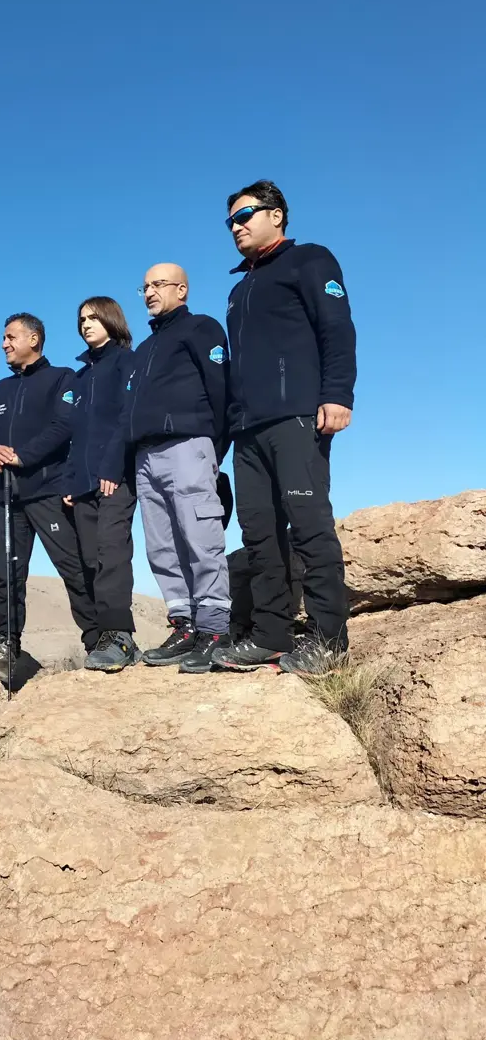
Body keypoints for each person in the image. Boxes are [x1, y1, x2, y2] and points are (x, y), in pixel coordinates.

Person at [214, 180, 356, 675]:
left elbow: (336, 329)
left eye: (245, 214)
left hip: (297, 416)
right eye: (230, 220)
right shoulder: (238, 290)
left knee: (309, 525)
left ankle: (329, 639)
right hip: (248, 431)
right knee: (259, 533)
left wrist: (338, 394)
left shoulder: (309, 260)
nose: (236, 226)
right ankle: (270, 635)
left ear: (276, 215)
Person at [0, 313, 98, 679]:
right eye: (3, 338)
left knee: (73, 568)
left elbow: (64, 425)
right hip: (7, 497)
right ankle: (6, 648)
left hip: (48, 491)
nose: (4, 343)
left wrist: (23, 456)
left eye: (11, 336)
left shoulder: (62, 378)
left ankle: (99, 643)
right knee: (7, 576)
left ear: (33, 339)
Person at [114, 264, 232, 673]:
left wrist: (212, 448)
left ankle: (214, 630)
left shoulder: (201, 328)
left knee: (200, 537)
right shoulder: (145, 349)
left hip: (187, 446)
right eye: (144, 286)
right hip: (146, 457)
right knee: (162, 547)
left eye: (158, 284)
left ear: (182, 289)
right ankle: (184, 626)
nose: (149, 292)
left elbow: (220, 389)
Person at [63, 297, 138, 671]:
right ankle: (101, 641)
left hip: (115, 477)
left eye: (94, 317)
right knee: (90, 560)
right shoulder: (79, 378)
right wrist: (70, 480)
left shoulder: (127, 362)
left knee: (112, 553)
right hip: (82, 482)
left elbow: (128, 417)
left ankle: (120, 637)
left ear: (111, 319)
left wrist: (113, 467)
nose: (86, 324)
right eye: (82, 320)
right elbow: (74, 433)